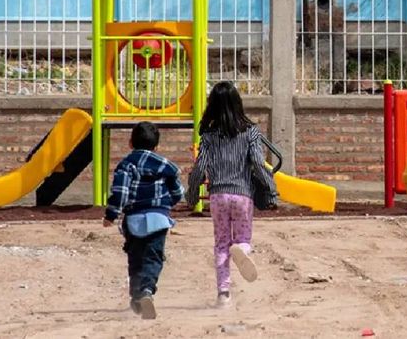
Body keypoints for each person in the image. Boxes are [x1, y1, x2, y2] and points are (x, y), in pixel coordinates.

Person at [187, 81, 277, 307]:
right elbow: (257, 163)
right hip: (243, 196)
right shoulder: (251, 132)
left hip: (218, 196)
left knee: (221, 244)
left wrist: (191, 193)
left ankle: (223, 294)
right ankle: (243, 249)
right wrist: (270, 189)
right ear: (238, 103)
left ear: (212, 106)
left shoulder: (208, 136)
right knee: (243, 239)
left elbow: (199, 167)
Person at [103, 121, 183, 319]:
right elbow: (178, 192)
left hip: (134, 219)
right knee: (153, 257)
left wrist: (111, 215)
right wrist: (168, 204)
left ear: (130, 143)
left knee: (135, 259)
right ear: (157, 146)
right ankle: (147, 291)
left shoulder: (126, 164)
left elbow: (120, 192)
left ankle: (136, 297)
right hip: (158, 219)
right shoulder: (166, 165)